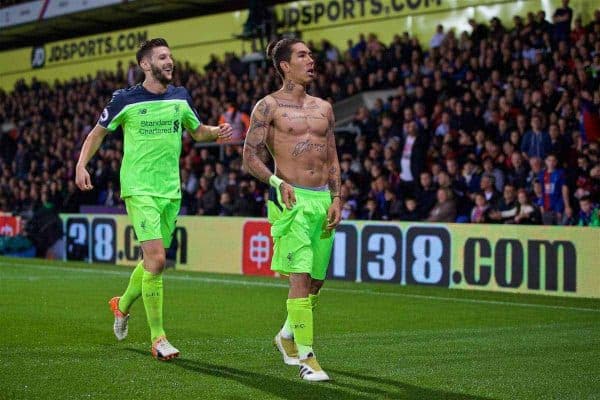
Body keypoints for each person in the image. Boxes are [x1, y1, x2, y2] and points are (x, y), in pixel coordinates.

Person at [75, 38, 232, 361]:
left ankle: (121, 304)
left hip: (170, 190)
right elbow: (97, 133)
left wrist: (216, 132)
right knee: (158, 260)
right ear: (146, 65)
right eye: (162, 57)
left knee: (152, 261)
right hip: (139, 187)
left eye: (170, 56)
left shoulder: (180, 97)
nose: (169, 61)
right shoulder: (125, 100)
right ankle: (159, 338)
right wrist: (81, 165)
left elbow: (196, 131)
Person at [242, 38, 341, 381]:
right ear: (285, 65)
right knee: (299, 277)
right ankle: (307, 358)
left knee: (315, 283)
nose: (311, 59)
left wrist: (337, 197)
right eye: (303, 55)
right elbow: (249, 155)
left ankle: (286, 336)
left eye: (311, 54)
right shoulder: (267, 107)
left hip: (322, 200)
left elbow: (331, 155)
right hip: (290, 199)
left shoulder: (324, 107)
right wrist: (275, 183)